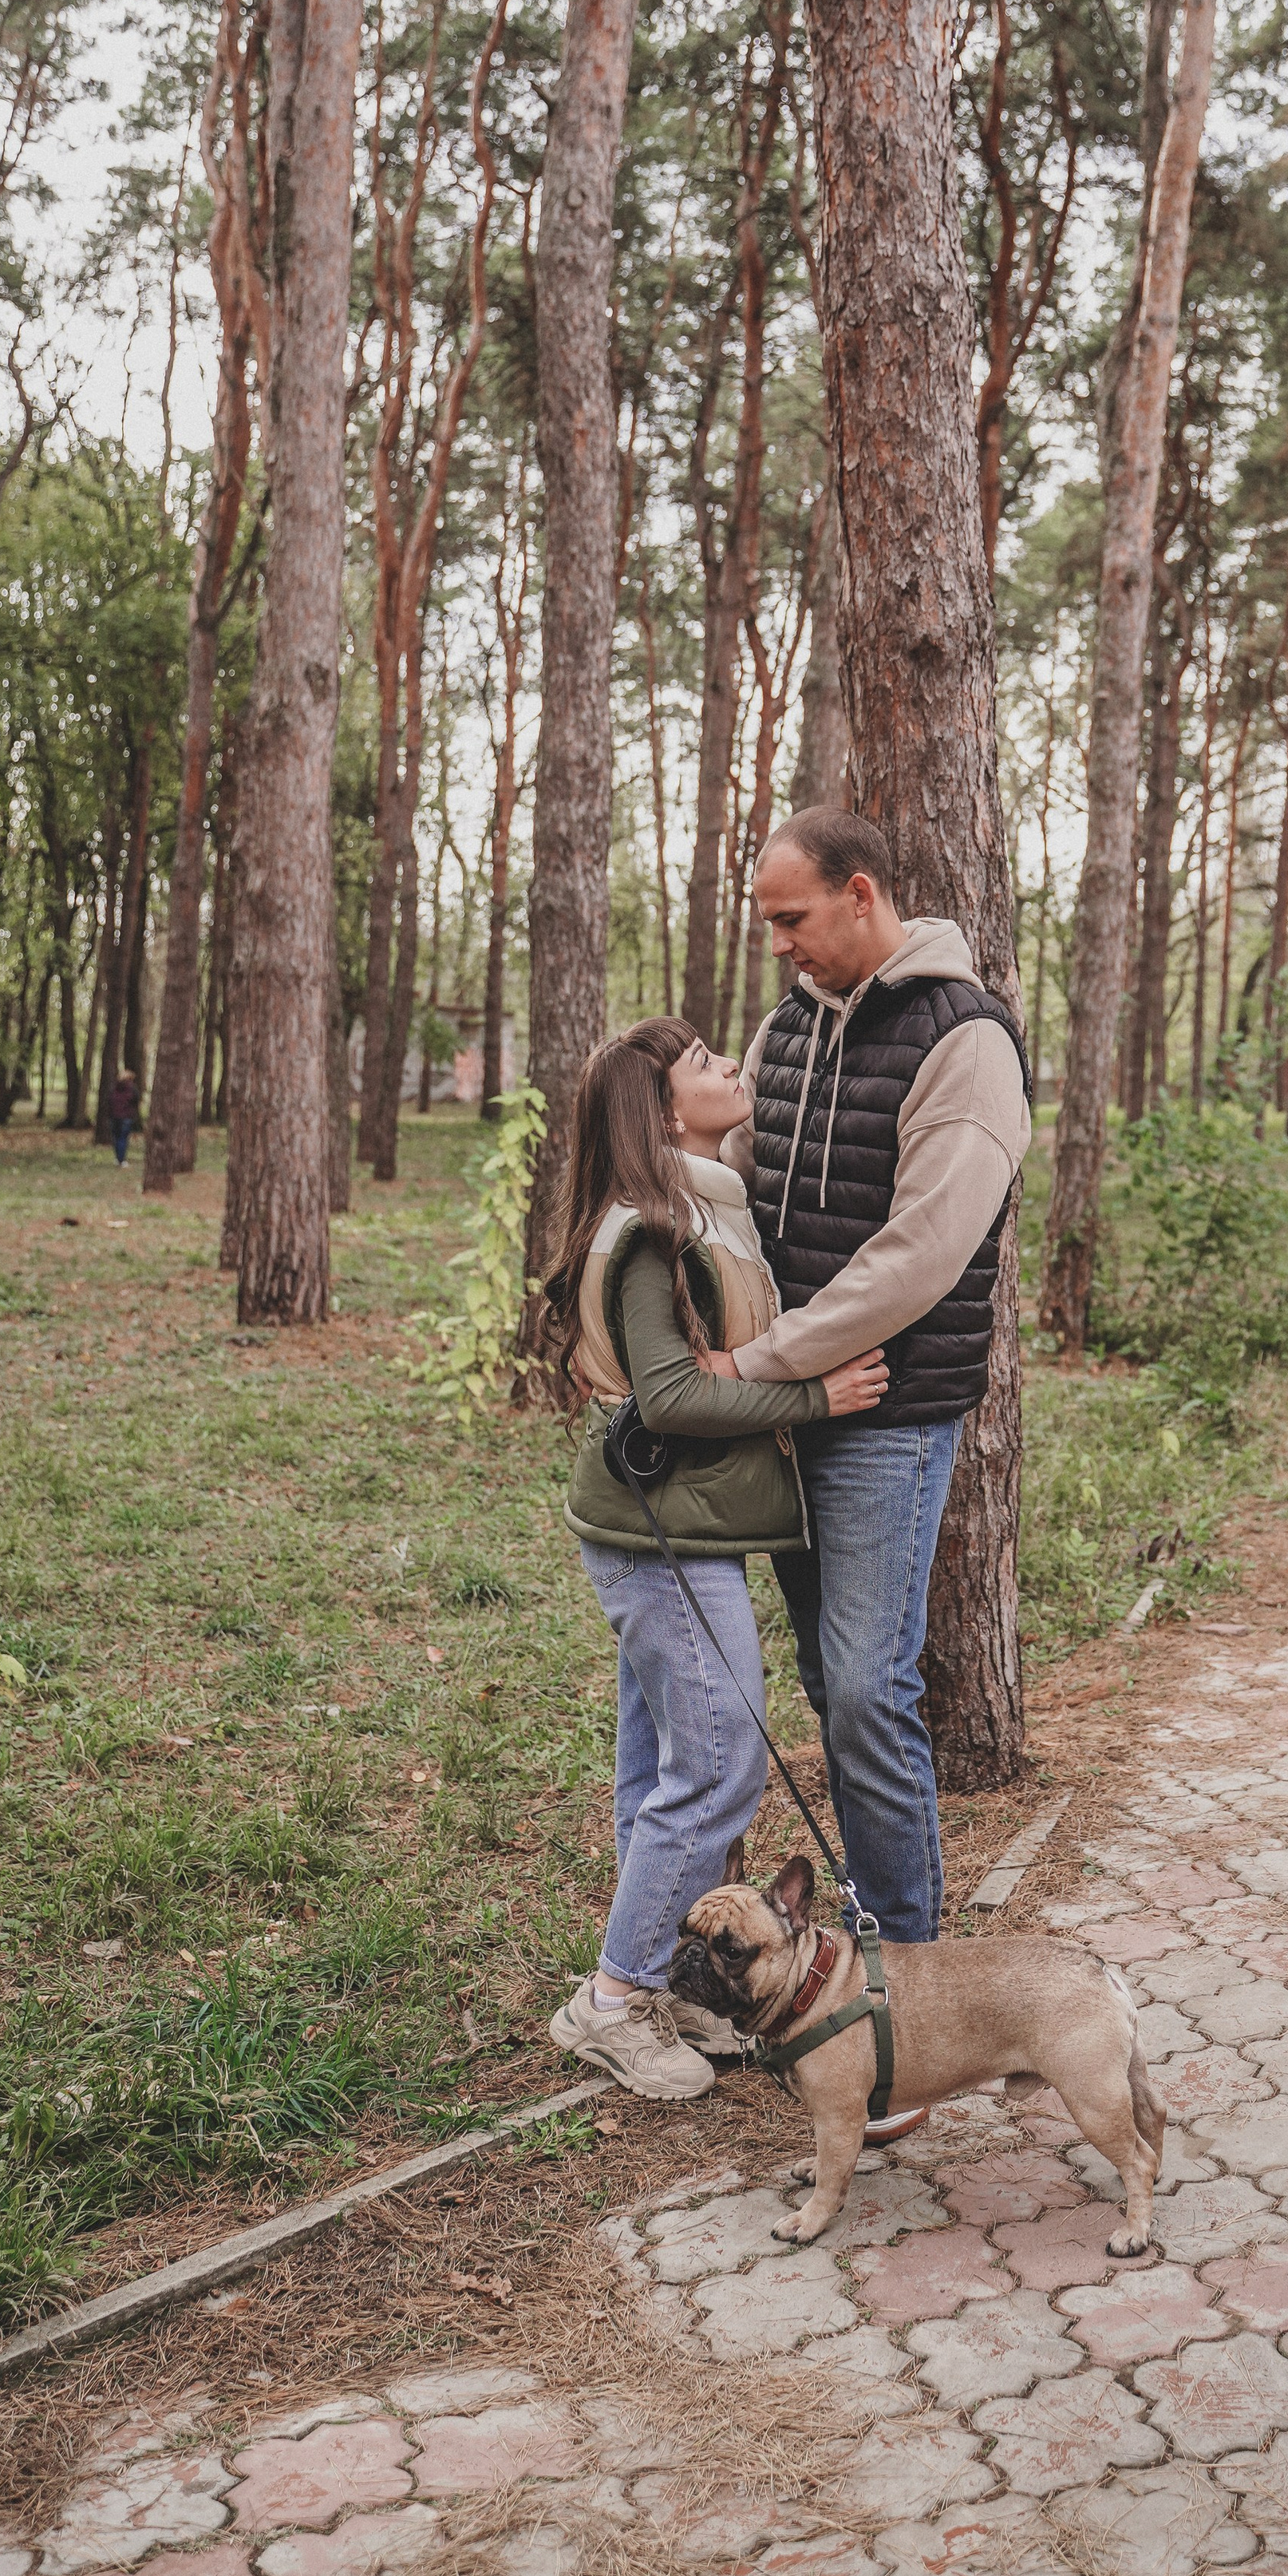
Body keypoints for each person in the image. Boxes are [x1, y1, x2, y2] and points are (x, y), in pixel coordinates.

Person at [717, 806, 1032, 2099]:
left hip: (884, 1418)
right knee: (829, 1682)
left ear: (862, 895)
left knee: (864, 1692)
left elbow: (919, 1255)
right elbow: (736, 1169)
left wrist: (769, 1357)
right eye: (768, 927)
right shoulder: (790, 1022)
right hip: (790, 1404)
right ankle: (848, 1971)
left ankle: (910, 1999)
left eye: (794, 920)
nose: (780, 947)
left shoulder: (965, 1040)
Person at [538, 1018, 890, 2103]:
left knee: (662, 1772)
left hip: (669, 1527)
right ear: (661, 1109)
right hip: (662, 1535)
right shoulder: (654, 1233)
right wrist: (814, 1397)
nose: (731, 1066)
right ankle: (614, 1998)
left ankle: (657, 1988)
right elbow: (672, 1396)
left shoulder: (694, 1208)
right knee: (721, 1765)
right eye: (703, 1064)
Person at [109, 1070, 140, 1166]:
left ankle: (118, 1158)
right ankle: (122, 1160)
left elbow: (109, 1101)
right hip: (126, 1116)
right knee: (123, 1138)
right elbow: (136, 1100)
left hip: (114, 1116)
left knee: (116, 1137)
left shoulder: (114, 1088)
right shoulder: (132, 1089)